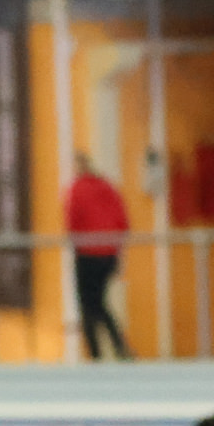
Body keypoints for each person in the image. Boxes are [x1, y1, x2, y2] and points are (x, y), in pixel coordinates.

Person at [65, 154, 132, 360]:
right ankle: (119, 347)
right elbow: (123, 221)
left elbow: (72, 220)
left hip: (87, 254)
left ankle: (96, 354)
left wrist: (76, 245)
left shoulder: (77, 188)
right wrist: (117, 251)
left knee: (88, 305)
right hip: (109, 253)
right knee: (99, 303)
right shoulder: (108, 187)